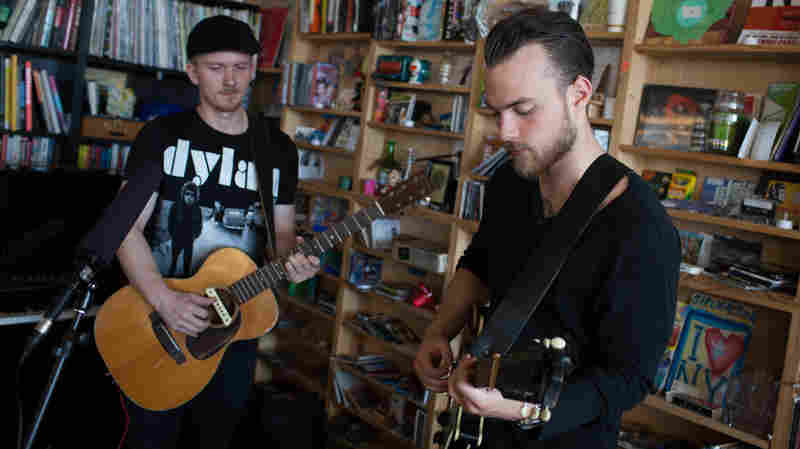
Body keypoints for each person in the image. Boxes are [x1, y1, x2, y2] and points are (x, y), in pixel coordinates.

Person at [413, 9, 680, 448]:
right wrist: (440, 330)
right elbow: (479, 261)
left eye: (523, 110)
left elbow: (628, 380)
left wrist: (522, 411)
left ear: (579, 93)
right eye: (496, 112)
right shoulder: (509, 182)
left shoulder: (641, 227)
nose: (505, 132)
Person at [111, 15, 320, 449]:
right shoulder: (162, 137)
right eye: (216, 67)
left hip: (234, 330)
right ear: (192, 71)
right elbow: (123, 229)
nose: (230, 81)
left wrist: (295, 262)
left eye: (240, 67)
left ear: (254, 69)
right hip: (155, 321)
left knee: (217, 440)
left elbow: (282, 240)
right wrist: (165, 300)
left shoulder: (277, 149)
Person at [167, 181, 203, 277]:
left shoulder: (197, 209)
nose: (189, 197)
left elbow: (199, 225)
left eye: (192, 195)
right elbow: (170, 222)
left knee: (187, 265)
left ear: (196, 197)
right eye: (187, 194)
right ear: (183, 194)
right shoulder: (175, 206)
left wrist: (194, 235)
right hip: (176, 238)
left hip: (189, 240)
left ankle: (186, 280)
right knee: (173, 262)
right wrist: (173, 234)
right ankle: (169, 278)